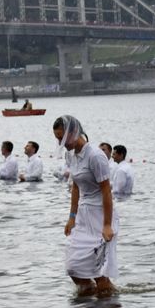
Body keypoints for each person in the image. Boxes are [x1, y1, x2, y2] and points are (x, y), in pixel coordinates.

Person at [54, 115, 117, 296]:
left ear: (74, 132)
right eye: (58, 138)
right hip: (83, 214)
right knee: (73, 267)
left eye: (62, 137)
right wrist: (71, 217)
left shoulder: (96, 156)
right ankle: (89, 299)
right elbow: (75, 186)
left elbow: (106, 191)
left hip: (101, 214)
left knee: (97, 270)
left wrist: (107, 225)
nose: (61, 142)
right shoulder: (70, 155)